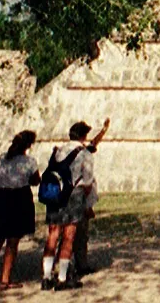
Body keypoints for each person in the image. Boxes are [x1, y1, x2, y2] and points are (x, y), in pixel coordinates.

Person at [0, 130, 40, 290]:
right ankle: (5, 279)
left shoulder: (2, 158)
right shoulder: (29, 162)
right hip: (19, 198)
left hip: (1, 198)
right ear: (28, 145)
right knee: (12, 241)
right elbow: (36, 181)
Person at [41, 121, 95, 291]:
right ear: (83, 136)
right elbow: (87, 182)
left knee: (53, 235)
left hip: (54, 195)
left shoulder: (58, 150)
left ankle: (46, 276)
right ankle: (63, 278)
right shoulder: (84, 154)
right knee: (68, 236)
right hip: (73, 195)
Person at [73, 117, 108, 277]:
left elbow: (93, 144)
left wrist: (103, 131)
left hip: (62, 197)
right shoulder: (83, 154)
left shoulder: (62, 151)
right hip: (78, 198)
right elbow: (86, 185)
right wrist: (88, 206)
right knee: (78, 235)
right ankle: (79, 266)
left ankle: (55, 270)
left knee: (64, 234)